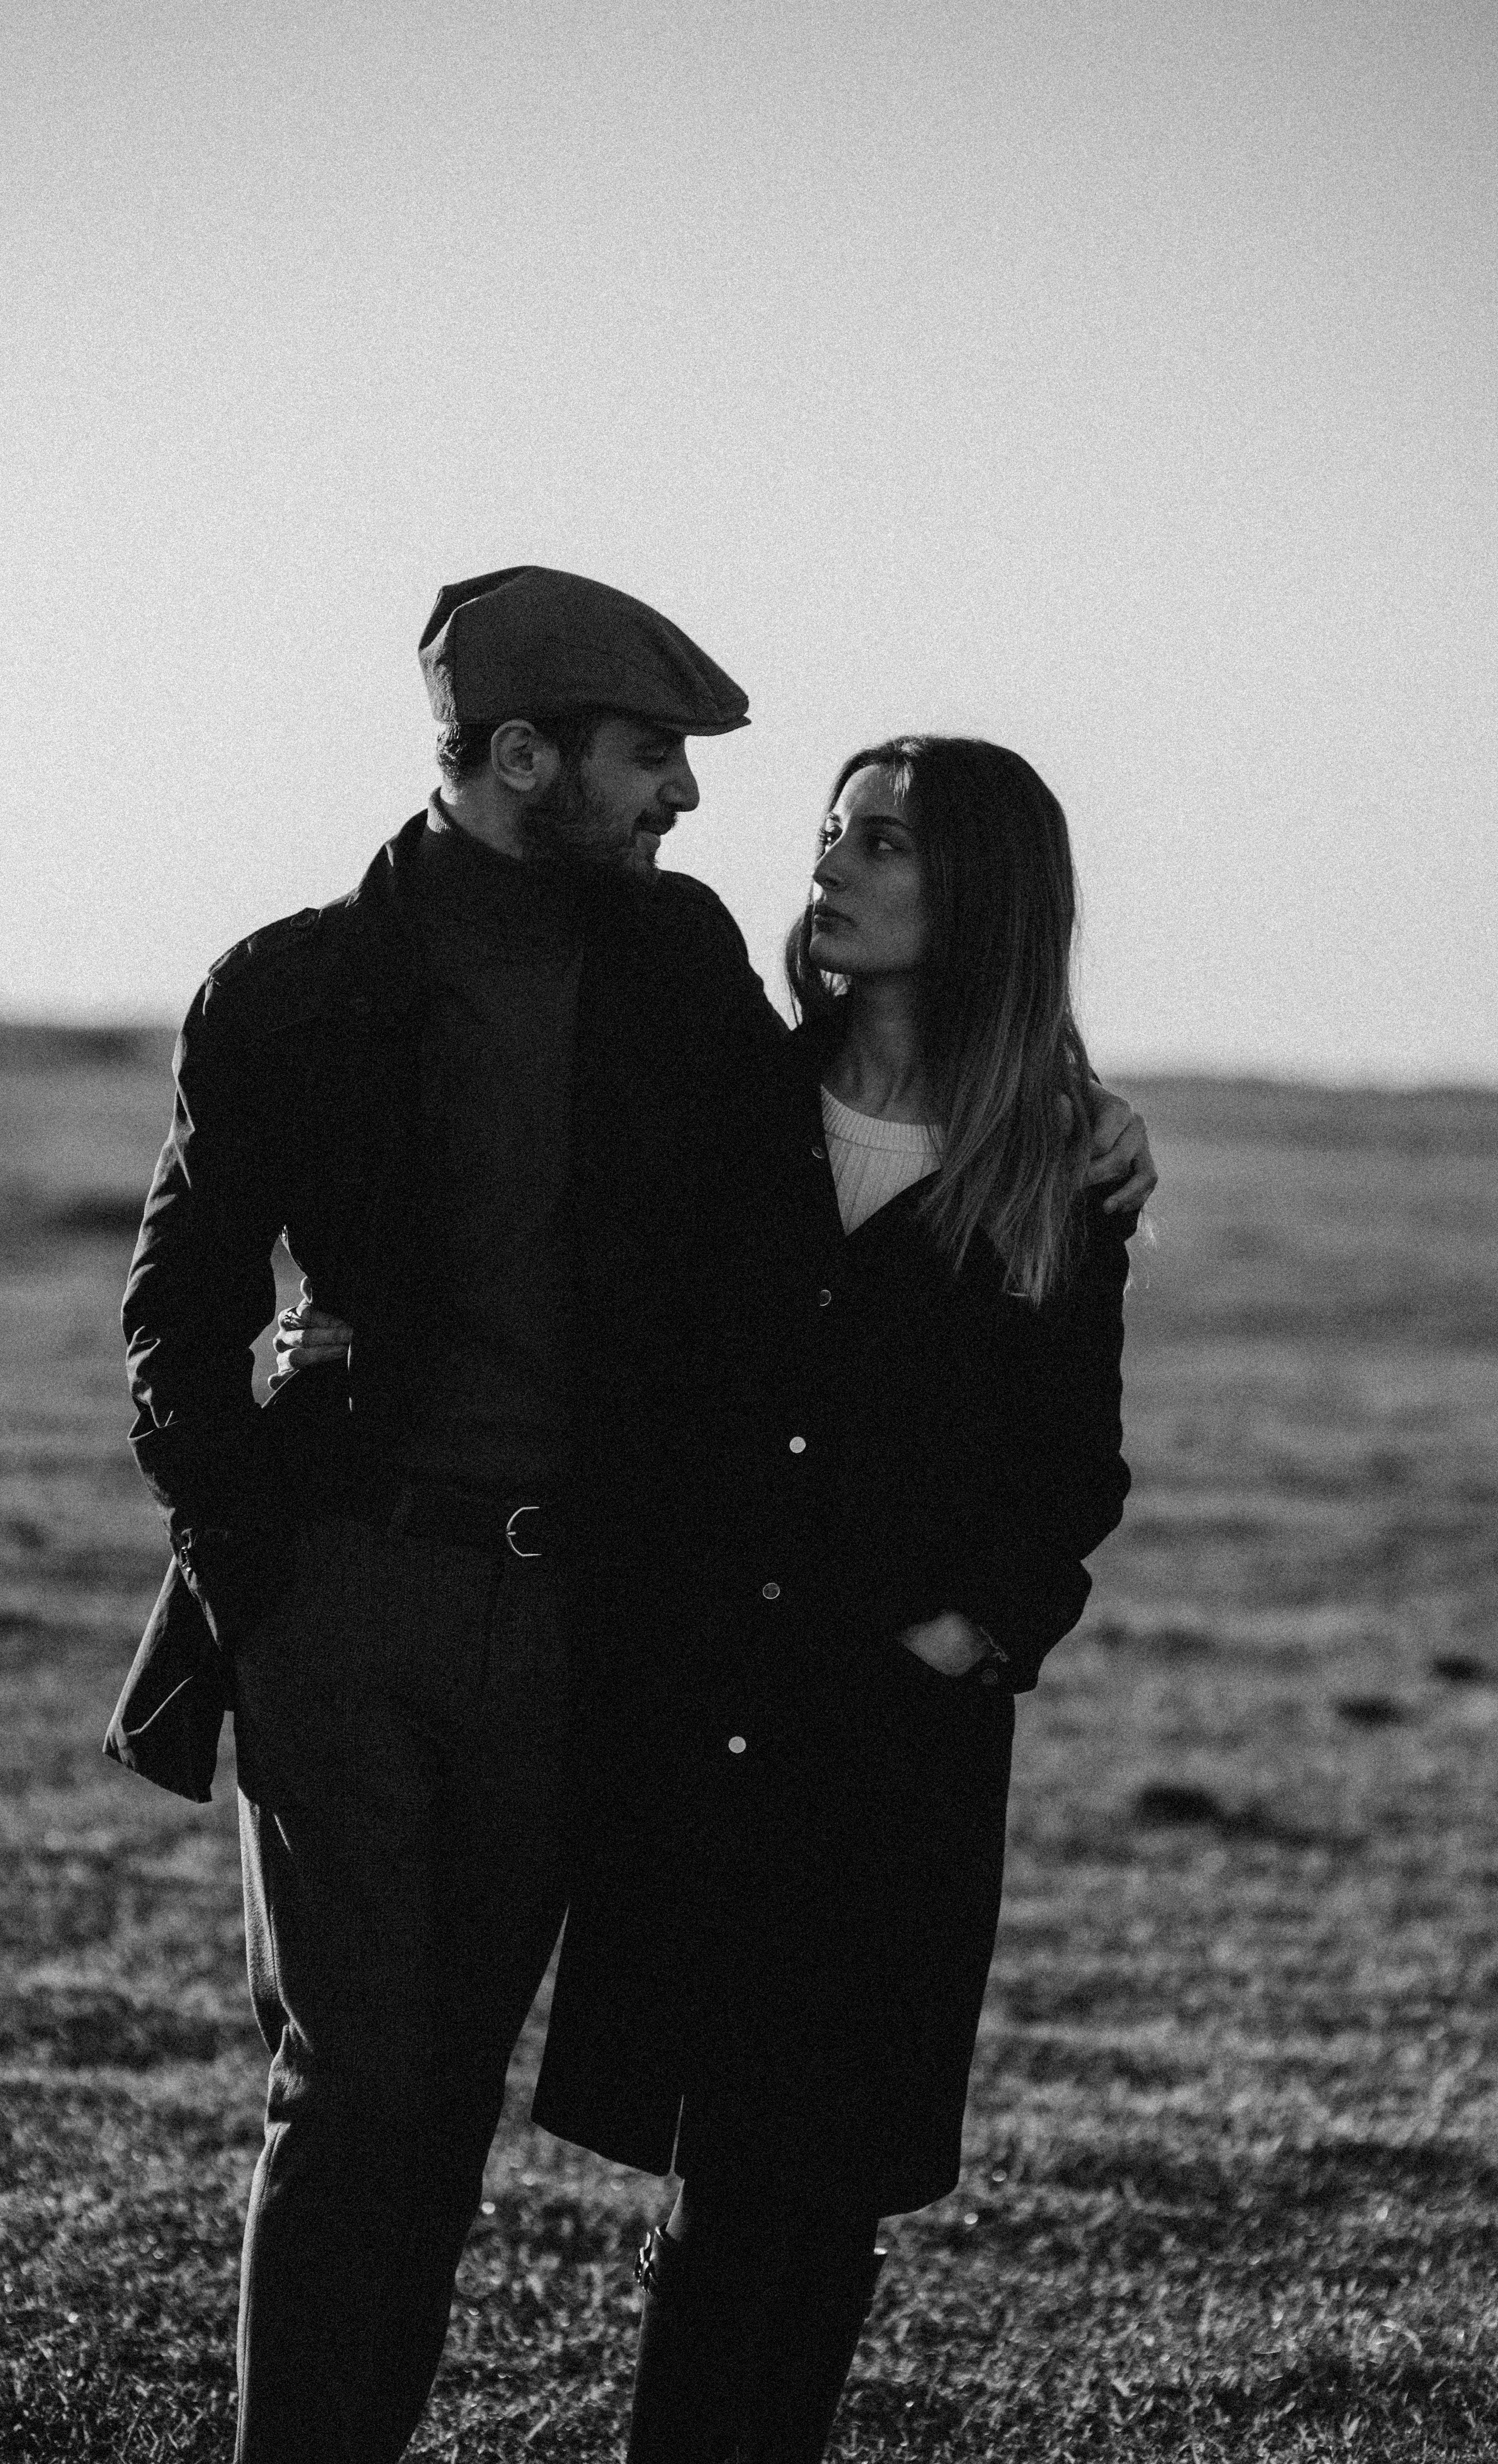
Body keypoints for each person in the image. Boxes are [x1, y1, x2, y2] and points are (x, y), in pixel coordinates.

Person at [106, 564, 1155, 2464]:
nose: (683, 797)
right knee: (359, 2085)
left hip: (581, 1625)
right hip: (345, 1600)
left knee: (447, 2106)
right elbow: (172, 1315)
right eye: (649, 754)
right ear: (523, 757)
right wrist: (250, 1560)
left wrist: (1081, 1132)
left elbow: (884, 1172)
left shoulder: (672, 967)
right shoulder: (290, 987)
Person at [527, 736, 1138, 2461]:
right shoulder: (732, 1093)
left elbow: (1069, 1476)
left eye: (884, 843)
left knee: (813, 2191)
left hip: (885, 1763)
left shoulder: (1047, 1170)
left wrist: (964, 1637)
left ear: (983, 900)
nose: (833, 863)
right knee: (722, 2172)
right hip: (698, 1723)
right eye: (831, 833)